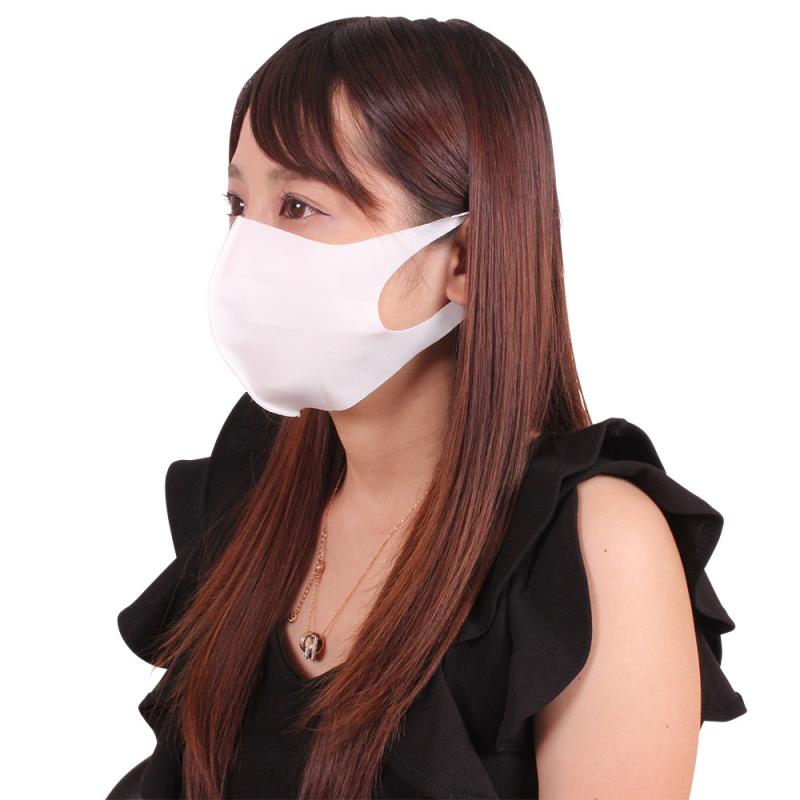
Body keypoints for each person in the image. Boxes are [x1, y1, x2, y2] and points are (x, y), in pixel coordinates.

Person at [107, 15, 746, 800]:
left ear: (464, 260)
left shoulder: (591, 551)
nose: (249, 251)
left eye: (299, 206)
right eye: (239, 204)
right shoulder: (253, 486)